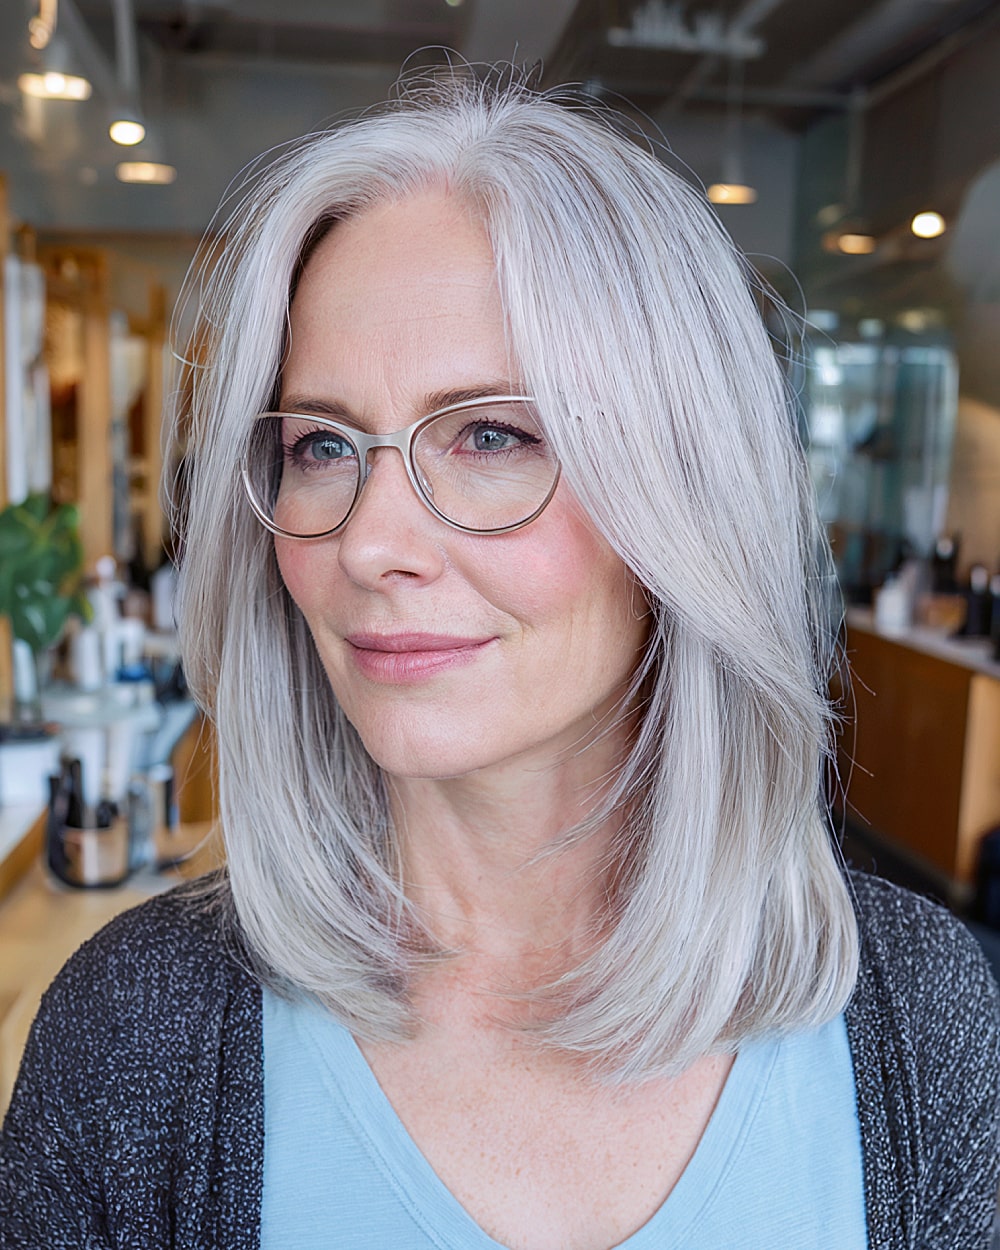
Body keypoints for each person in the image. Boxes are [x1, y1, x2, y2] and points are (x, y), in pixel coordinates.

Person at [2, 66, 999, 1250]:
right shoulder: (130, 1036)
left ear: (686, 494)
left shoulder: (921, 1020)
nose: (369, 542)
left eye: (490, 433)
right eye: (321, 443)